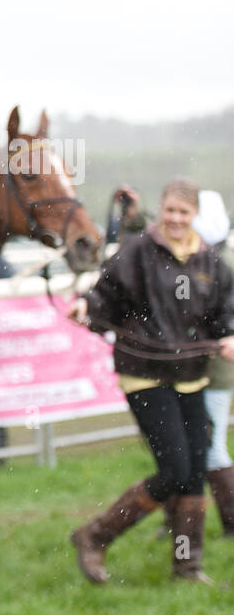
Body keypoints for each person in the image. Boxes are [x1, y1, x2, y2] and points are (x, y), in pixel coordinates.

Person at [67, 178, 234, 585]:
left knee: (195, 469)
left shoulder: (211, 264)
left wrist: (229, 334)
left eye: (184, 212)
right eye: (170, 211)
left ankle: (187, 566)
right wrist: (85, 305)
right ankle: (94, 535)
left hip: (192, 377)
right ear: (161, 210)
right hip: (144, 374)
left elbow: (224, 312)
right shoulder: (138, 251)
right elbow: (105, 294)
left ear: (195, 215)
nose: (176, 219)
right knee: (175, 469)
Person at [193, 189, 234, 535]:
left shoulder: (222, 264)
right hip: (193, 370)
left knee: (212, 445)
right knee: (190, 446)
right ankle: (181, 516)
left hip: (215, 369)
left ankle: (231, 520)